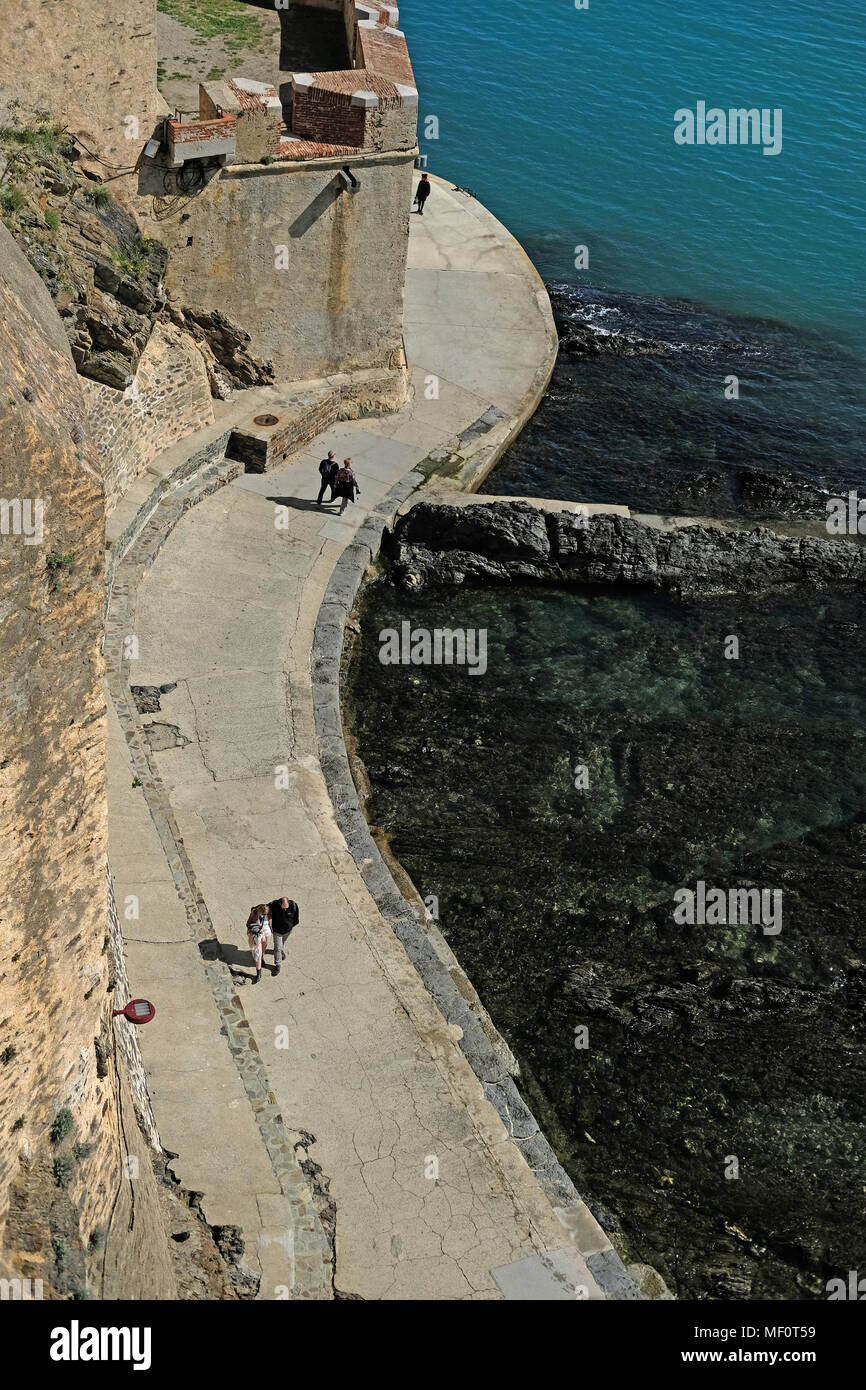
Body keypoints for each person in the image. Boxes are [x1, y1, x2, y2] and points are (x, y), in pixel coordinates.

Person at [268, 895, 299, 976]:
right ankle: (278, 965)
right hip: (277, 931)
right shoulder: (274, 904)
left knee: (281, 943)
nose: (285, 909)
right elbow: (265, 908)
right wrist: (269, 919)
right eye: (283, 908)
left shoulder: (294, 905)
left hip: (288, 931)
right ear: (280, 903)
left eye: (286, 908)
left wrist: (290, 926)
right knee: (277, 947)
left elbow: (296, 918)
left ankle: (280, 950)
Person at [246, 904, 272, 983]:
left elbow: (270, 920)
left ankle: (262, 958)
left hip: (266, 932)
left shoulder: (268, 912)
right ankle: (258, 974)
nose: (264, 915)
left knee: (264, 948)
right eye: (263, 914)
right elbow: (248, 924)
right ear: (260, 911)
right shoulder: (254, 912)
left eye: (266, 914)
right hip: (257, 934)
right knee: (258, 954)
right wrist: (257, 930)